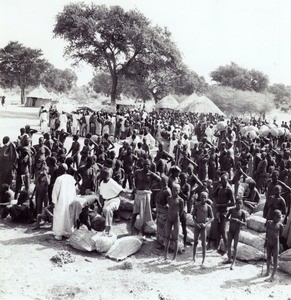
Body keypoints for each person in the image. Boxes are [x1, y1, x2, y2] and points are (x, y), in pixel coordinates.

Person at [131, 159, 161, 235]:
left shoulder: (151, 174)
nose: (146, 166)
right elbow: (132, 177)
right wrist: (133, 186)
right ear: (143, 165)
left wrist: (151, 186)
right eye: (145, 164)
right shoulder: (138, 172)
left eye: (148, 164)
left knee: (143, 214)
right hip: (138, 193)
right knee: (135, 212)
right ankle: (131, 228)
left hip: (146, 195)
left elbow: (159, 179)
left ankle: (141, 232)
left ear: (150, 166)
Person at [52, 164, 76, 240]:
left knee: (60, 216)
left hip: (61, 201)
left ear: (61, 170)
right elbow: (74, 189)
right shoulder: (71, 178)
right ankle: (68, 232)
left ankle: (59, 234)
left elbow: (55, 191)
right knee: (68, 216)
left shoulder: (59, 179)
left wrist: (54, 201)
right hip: (70, 200)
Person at [212, 173, 235, 251]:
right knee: (218, 230)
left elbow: (233, 203)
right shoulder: (220, 188)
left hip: (224, 212)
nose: (222, 182)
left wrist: (221, 205)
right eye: (221, 180)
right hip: (218, 211)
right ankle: (217, 247)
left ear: (227, 180)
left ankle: (227, 249)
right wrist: (217, 188)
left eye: (224, 180)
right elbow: (212, 195)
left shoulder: (229, 190)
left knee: (223, 231)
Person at [99, 168, 123, 235]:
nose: (101, 176)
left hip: (114, 200)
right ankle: (105, 229)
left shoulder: (111, 182)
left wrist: (115, 196)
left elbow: (121, 190)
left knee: (108, 209)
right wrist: (100, 206)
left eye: (102, 175)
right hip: (106, 201)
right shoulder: (102, 183)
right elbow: (101, 195)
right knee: (103, 212)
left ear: (106, 175)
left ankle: (109, 230)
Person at [192, 191, 214, 268]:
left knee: (203, 243)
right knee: (195, 241)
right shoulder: (197, 205)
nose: (203, 199)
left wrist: (206, 224)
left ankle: (203, 260)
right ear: (199, 197)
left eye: (205, 197)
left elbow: (212, 217)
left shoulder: (208, 207)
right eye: (202, 197)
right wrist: (195, 223)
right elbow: (193, 215)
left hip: (203, 226)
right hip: (197, 226)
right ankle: (193, 257)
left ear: (207, 198)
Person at [223, 199, 246, 269]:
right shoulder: (231, 210)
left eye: (240, 204)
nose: (239, 205)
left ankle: (233, 262)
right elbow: (226, 219)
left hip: (237, 231)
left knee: (235, 247)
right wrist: (231, 219)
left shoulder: (242, 213)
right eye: (238, 203)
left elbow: (245, 224)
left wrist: (238, 221)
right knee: (229, 245)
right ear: (235, 203)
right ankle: (229, 259)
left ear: (242, 205)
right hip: (231, 230)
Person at [164, 183, 184, 262]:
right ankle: (165, 254)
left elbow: (181, 211)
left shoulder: (180, 200)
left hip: (176, 219)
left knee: (176, 238)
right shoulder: (169, 198)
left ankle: (174, 257)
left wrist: (177, 216)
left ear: (179, 191)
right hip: (169, 219)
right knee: (167, 236)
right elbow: (168, 206)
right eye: (173, 190)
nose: (175, 192)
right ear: (171, 190)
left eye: (177, 190)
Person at [263, 209, 284, 282]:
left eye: (280, 217)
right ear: (273, 216)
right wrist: (265, 241)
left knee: (275, 259)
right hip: (269, 242)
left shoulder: (280, 225)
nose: (279, 218)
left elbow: (281, 234)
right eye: (277, 217)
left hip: (276, 243)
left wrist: (277, 240)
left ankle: (273, 276)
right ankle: (267, 272)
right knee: (268, 257)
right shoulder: (269, 223)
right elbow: (267, 232)